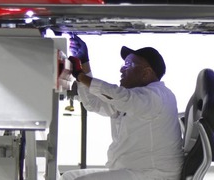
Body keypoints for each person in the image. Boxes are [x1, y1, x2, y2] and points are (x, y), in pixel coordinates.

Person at [62, 36, 184, 180]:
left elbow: (119, 96)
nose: (121, 69)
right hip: (132, 172)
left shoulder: (157, 96)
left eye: (128, 64)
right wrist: (84, 62)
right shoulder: (135, 99)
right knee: (69, 177)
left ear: (146, 73)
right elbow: (93, 103)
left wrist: (81, 76)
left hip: (151, 175)